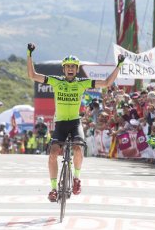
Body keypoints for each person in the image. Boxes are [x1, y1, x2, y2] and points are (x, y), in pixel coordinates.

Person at [26, 42, 124, 202]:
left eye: (73, 66)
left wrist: (119, 65)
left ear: (77, 69)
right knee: (52, 154)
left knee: (78, 149)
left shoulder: (82, 83)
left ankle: (77, 178)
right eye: (68, 66)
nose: (70, 69)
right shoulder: (56, 81)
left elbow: (106, 83)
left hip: (75, 123)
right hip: (60, 125)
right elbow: (32, 75)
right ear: (63, 69)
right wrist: (29, 55)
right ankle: (53, 189)